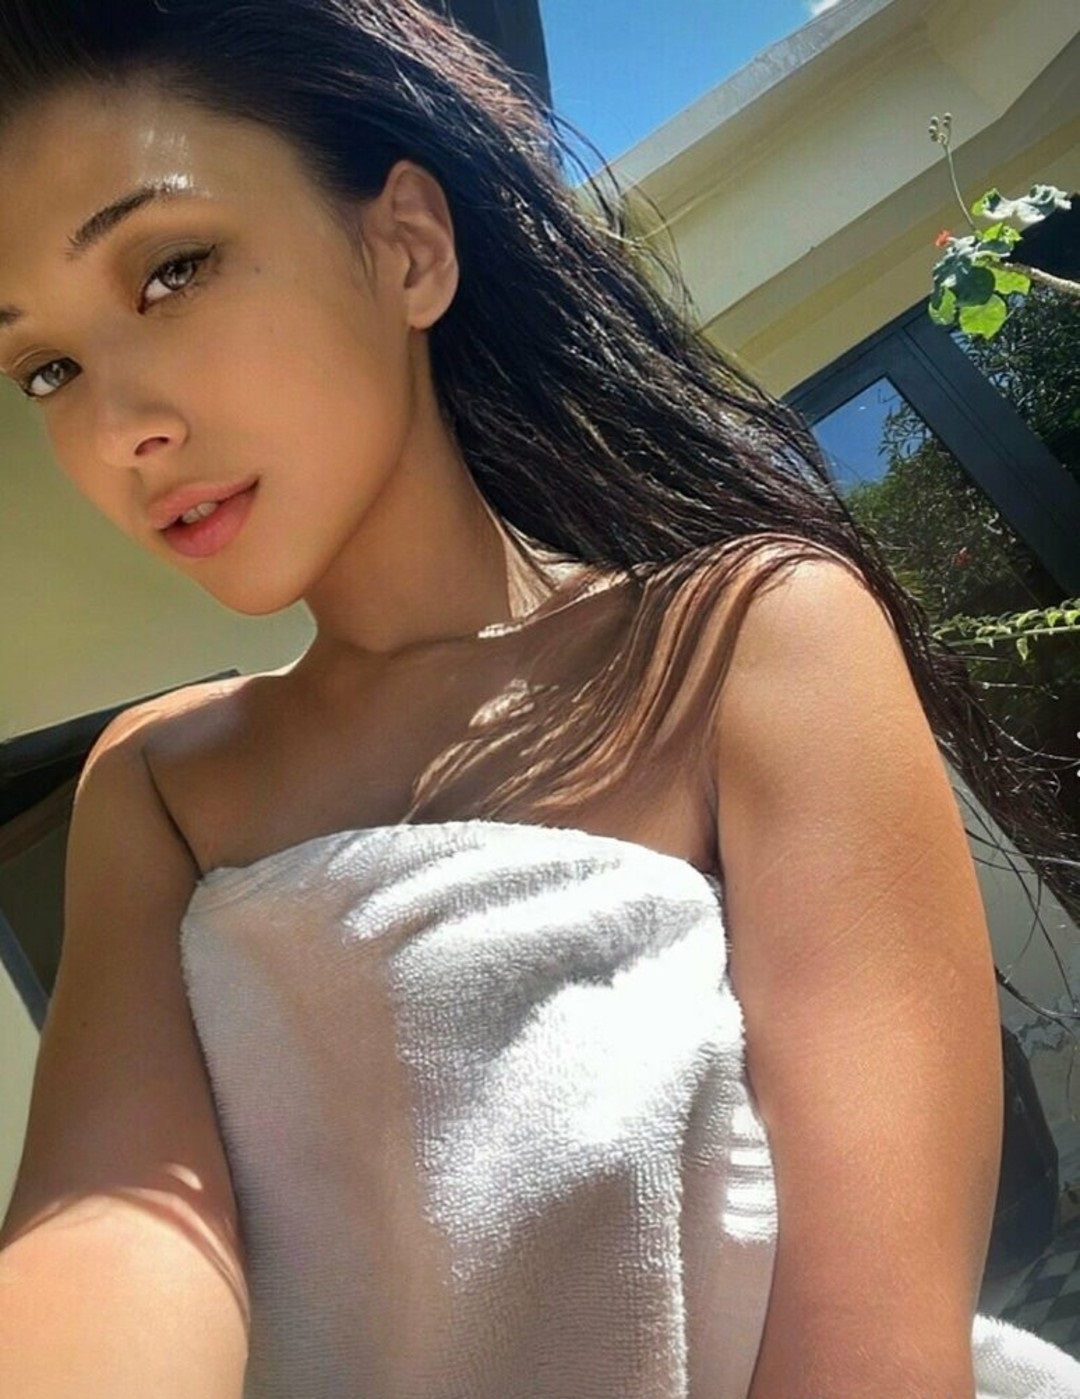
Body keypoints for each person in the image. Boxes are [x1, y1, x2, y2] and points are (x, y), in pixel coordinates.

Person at [0, 2, 1077, 1396]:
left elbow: (871, 1353)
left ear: (407, 247)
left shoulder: (747, 640)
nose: (116, 428)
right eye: (46, 367)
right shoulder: (157, 786)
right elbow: (114, 1225)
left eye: (171, 270)